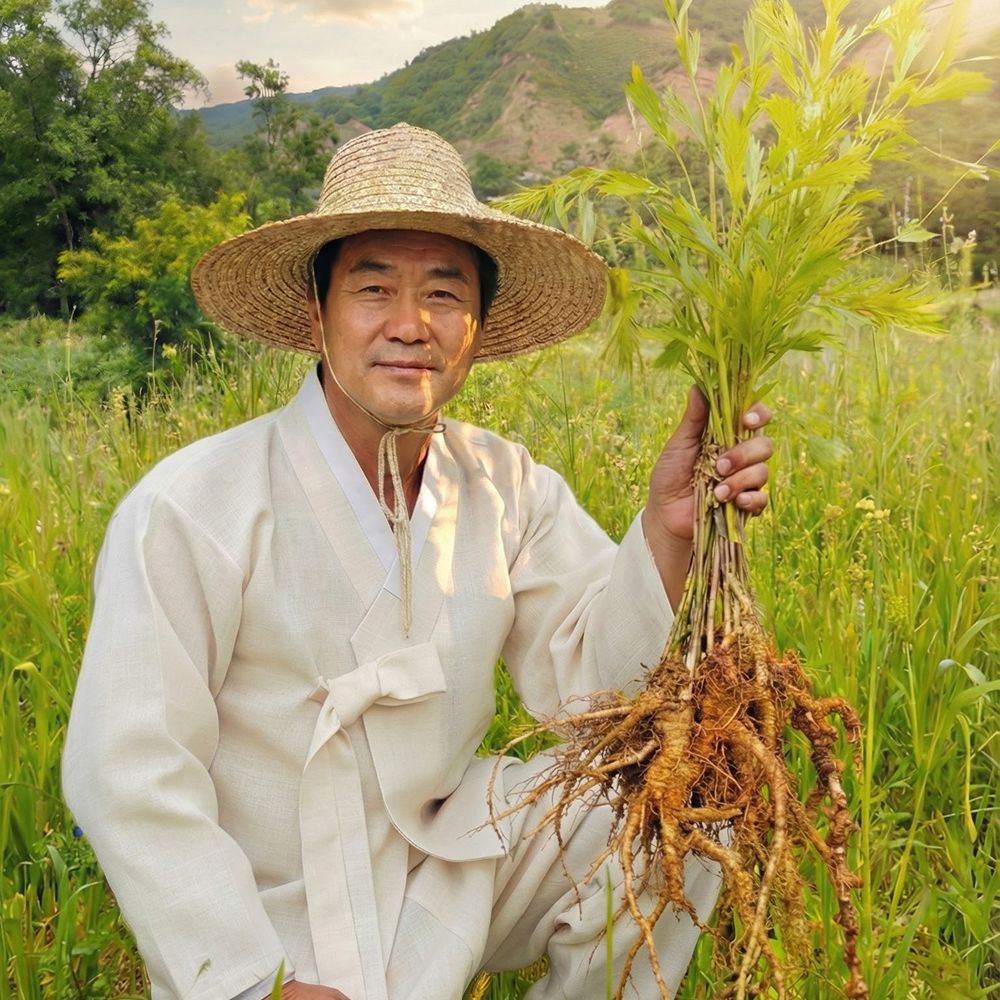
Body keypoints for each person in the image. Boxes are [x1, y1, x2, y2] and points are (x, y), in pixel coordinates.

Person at [62, 123, 773, 1000]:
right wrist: (250, 981)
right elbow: (129, 770)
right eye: (374, 289)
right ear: (317, 313)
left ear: (477, 326)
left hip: (448, 860)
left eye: (445, 293)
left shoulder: (507, 484)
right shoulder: (191, 506)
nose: (411, 326)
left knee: (683, 795)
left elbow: (595, 694)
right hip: (274, 906)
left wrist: (669, 532)